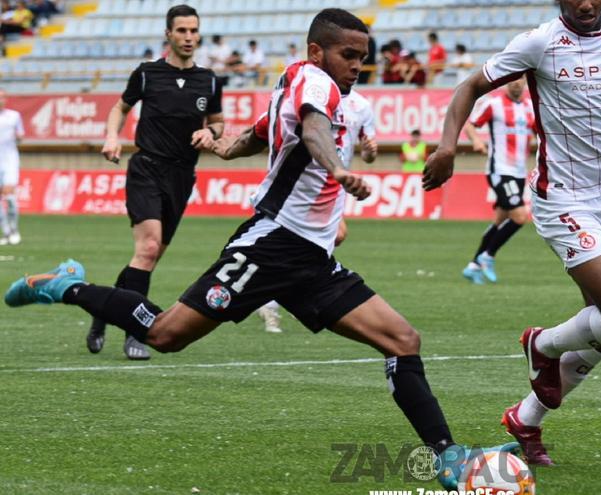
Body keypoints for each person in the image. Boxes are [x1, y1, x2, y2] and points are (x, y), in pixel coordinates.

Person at [5, 9, 516, 489]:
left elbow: (263, 132)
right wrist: (337, 168)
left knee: (403, 340)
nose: (359, 66)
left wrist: (228, 146)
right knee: (164, 335)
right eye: (349, 56)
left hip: (311, 260)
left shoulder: (297, 81)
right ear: (318, 52)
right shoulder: (315, 84)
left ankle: (449, 459)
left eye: (364, 56)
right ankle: (65, 286)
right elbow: (314, 129)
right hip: (269, 247)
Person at [422, 0, 601, 465]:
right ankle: (540, 343)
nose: (585, 3)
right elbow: (470, 86)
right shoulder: (540, 42)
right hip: (561, 196)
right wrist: (448, 147)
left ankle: (526, 419)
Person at [86, 4, 225, 361]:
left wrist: (210, 132)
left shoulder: (209, 80)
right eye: (182, 31)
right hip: (146, 167)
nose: (189, 37)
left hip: (182, 176)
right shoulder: (147, 74)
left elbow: (219, 123)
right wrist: (112, 137)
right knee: (147, 249)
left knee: (150, 256)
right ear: (168, 34)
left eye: (194, 31)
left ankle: (103, 310)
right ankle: (136, 332)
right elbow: (119, 107)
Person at [256, 85, 379, 333]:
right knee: (320, 236)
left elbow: (367, 154)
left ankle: (273, 291)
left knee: (325, 238)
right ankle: (276, 292)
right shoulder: (313, 94)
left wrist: (369, 151)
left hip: (334, 185)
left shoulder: (362, 106)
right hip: (305, 180)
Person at [460, 77, 535, 285]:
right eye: (512, 79)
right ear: (505, 82)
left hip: (519, 173)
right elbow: (470, 126)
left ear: (526, 82)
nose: (516, 83)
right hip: (501, 170)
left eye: (520, 79)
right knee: (520, 217)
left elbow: (540, 132)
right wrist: (476, 140)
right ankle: (488, 256)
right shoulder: (493, 104)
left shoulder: (530, 107)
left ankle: (473, 265)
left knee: (500, 220)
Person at [0, 88, 24, 246]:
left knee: (9, 196)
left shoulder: (14, 116)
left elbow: (21, 135)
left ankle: (14, 229)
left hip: (9, 161)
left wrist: (18, 137)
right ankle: (6, 231)